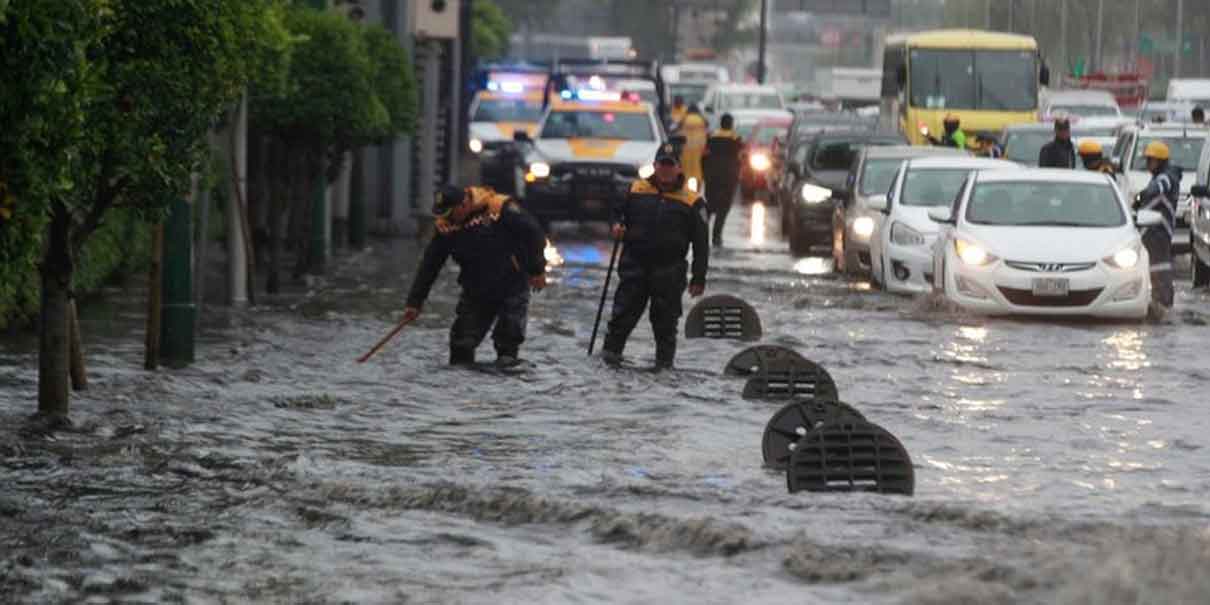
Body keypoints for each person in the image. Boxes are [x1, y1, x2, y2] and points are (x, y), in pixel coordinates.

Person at [403, 184, 547, 368]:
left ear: (463, 205)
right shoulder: (447, 228)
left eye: (449, 213)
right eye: (442, 214)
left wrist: (537, 270)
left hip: (512, 284)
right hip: (475, 289)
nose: (445, 218)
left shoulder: (500, 209)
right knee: (460, 346)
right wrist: (414, 303)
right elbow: (430, 265)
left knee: (507, 349)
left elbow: (534, 234)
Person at [602, 143, 710, 370]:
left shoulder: (692, 201)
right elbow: (615, 213)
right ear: (655, 166)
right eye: (662, 165)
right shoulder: (635, 190)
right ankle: (607, 368)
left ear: (679, 168)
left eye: (670, 166)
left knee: (665, 327)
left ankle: (664, 374)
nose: (666, 170)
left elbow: (701, 244)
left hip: (669, 272)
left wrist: (698, 278)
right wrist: (616, 226)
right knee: (620, 321)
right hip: (634, 267)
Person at [1134, 141, 1179, 312]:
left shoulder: (1166, 176)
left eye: (1150, 160)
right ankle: (1160, 301)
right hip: (1153, 230)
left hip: (1158, 231)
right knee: (1155, 267)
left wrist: (1142, 195)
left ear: (1159, 161)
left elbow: (1159, 188)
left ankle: (1163, 303)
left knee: (1159, 267)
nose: (1147, 164)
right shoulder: (1162, 175)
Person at [702, 113, 744, 247]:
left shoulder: (711, 138)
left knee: (710, 205)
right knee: (723, 208)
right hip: (728, 177)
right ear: (731, 124)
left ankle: (701, 232)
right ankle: (716, 236)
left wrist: (705, 173)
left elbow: (703, 157)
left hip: (712, 176)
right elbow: (741, 158)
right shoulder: (736, 139)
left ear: (721, 123)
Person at [678, 104, 709, 193]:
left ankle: (685, 191)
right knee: (698, 171)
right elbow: (707, 130)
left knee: (685, 172)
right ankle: (697, 192)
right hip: (699, 150)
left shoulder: (684, 119)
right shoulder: (702, 120)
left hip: (685, 149)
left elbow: (678, 130)